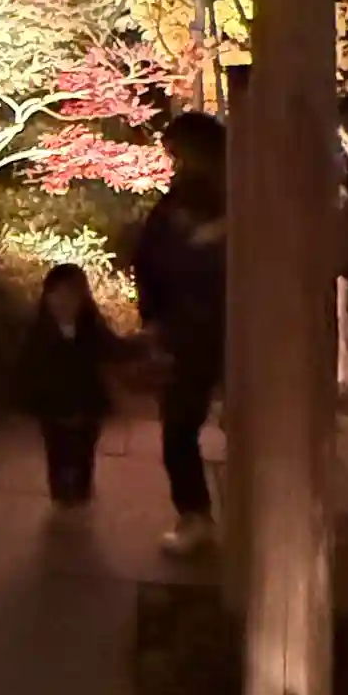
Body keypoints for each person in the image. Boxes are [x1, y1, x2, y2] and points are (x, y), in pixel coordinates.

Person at [132, 111, 226, 557]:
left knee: (182, 427)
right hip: (188, 330)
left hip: (214, 328)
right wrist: (154, 318)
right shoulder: (176, 206)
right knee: (179, 428)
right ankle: (195, 516)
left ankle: (199, 516)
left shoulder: (229, 201)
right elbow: (148, 261)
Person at [21, 264, 117, 506]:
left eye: (71, 295)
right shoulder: (39, 331)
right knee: (57, 452)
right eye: (57, 294)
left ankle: (81, 491)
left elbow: (113, 348)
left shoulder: (91, 328)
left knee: (84, 452)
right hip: (54, 407)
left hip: (87, 404)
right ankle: (62, 494)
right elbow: (27, 366)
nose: (64, 302)